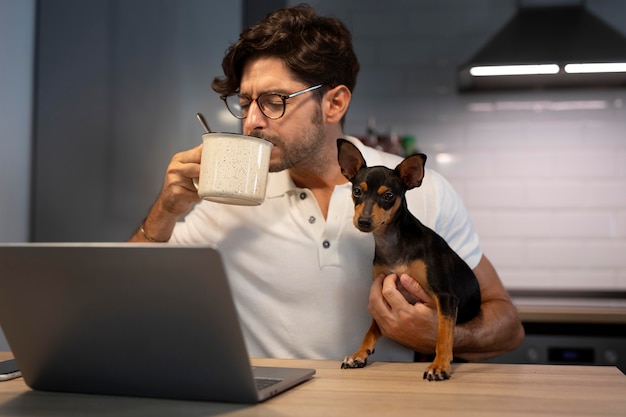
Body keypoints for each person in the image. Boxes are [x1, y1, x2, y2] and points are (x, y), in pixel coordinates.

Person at [129, 4, 524, 362]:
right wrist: (165, 210)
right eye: (246, 102)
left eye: (273, 101)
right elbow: (129, 294)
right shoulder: (227, 195)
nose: (251, 122)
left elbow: (506, 324)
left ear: (334, 103)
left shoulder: (426, 192)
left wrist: (445, 333)